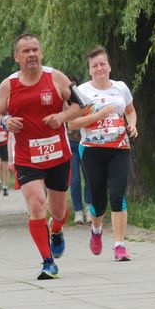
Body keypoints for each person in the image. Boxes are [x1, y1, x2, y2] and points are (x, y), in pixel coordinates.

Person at [0, 33, 83, 280]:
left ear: (41, 52)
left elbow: (80, 105)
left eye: (35, 49)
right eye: (26, 51)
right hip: (26, 156)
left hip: (57, 154)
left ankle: (57, 229)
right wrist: (6, 121)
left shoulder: (56, 77)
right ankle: (48, 262)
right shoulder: (8, 85)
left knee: (59, 211)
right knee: (36, 204)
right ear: (17, 57)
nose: (31, 54)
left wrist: (62, 117)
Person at [69, 45, 138, 261]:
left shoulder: (121, 87)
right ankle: (96, 230)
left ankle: (119, 246)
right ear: (89, 70)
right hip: (92, 151)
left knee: (117, 195)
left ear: (109, 66)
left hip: (119, 149)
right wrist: (99, 115)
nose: (99, 68)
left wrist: (132, 125)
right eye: (94, 66)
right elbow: (72, 123)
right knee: (98, 201)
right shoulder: (81, 92)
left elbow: (130, 110)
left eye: (102, 64)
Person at [66, 77, 92, 224]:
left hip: (85, 142)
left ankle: (89, 207)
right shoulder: (63, 103)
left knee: (89, 177)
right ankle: (78, 211)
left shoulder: (84, 100)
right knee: (75, 179)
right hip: (70, 145)